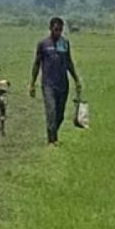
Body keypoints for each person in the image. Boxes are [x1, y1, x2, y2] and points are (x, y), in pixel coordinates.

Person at [28, 17, 82, 145]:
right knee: (51, 111)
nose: (58, 32)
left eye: (60, 30)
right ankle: (52, 140)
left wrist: (76, 80)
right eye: (56, 29)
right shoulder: (43, 44)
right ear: (50, 28)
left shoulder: (64, 43)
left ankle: (52, 134)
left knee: (60, 115)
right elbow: (37, 64)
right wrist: (32, 84)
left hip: (63, 84)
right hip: (48, 84)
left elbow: (69, 62)